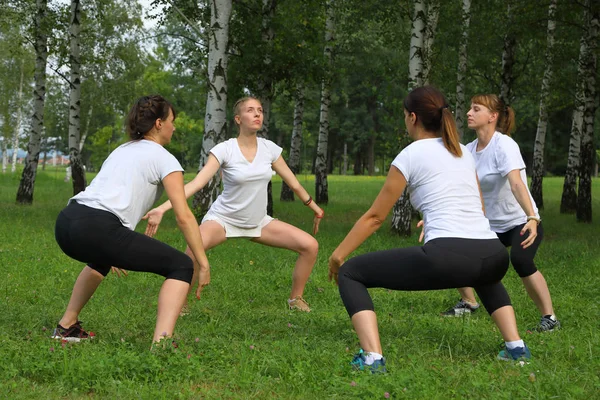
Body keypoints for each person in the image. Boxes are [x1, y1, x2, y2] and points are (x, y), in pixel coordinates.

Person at [328, 86, 531, 374]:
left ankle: (372, 359)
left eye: (404, 116)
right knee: (482, 272)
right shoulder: (462, 151)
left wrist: (338, 256)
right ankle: (516, 348)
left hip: (447, 256)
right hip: (494, 254)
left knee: (351, 272)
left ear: (412, 118)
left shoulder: (410, 154)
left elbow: (375, 217)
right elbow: (479, 208)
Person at [52, 95, 209, 344]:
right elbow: (184, 216)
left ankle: (66, 327)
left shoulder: (122, 149)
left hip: (67, 222)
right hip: (97, 228)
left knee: (99, 261)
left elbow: (113, 195)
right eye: (172, 121)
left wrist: (111, 246)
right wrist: (202, 262)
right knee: (181, 265)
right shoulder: (165, 159)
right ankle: (162, 345)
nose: (174, 126)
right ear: (159, 123)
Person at [144, 96, 323, 312]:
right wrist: (163, 208)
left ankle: (296, 299)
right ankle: (181, 304)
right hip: (223, 220)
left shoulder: (270, 149)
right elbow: (198, 182)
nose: (257, 114)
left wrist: (313, 206)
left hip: (259, 222)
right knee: (192, 250)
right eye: (250, 110)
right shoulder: (225, 149)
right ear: (238, 119)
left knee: (310, 246)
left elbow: (292, 181)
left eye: (260, 110)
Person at [441, 94, 560, 332]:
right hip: (488, 226)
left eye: (476, 109)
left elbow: (516, 184)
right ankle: (469, 302)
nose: (469, 113)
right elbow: (460, 187)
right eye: (470, 109)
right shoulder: (468, 150)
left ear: (492, 117)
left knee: (521, 260)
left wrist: (533, 218)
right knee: (450, 249)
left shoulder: (504, 145)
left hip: (520, 221)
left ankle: (550, 318)